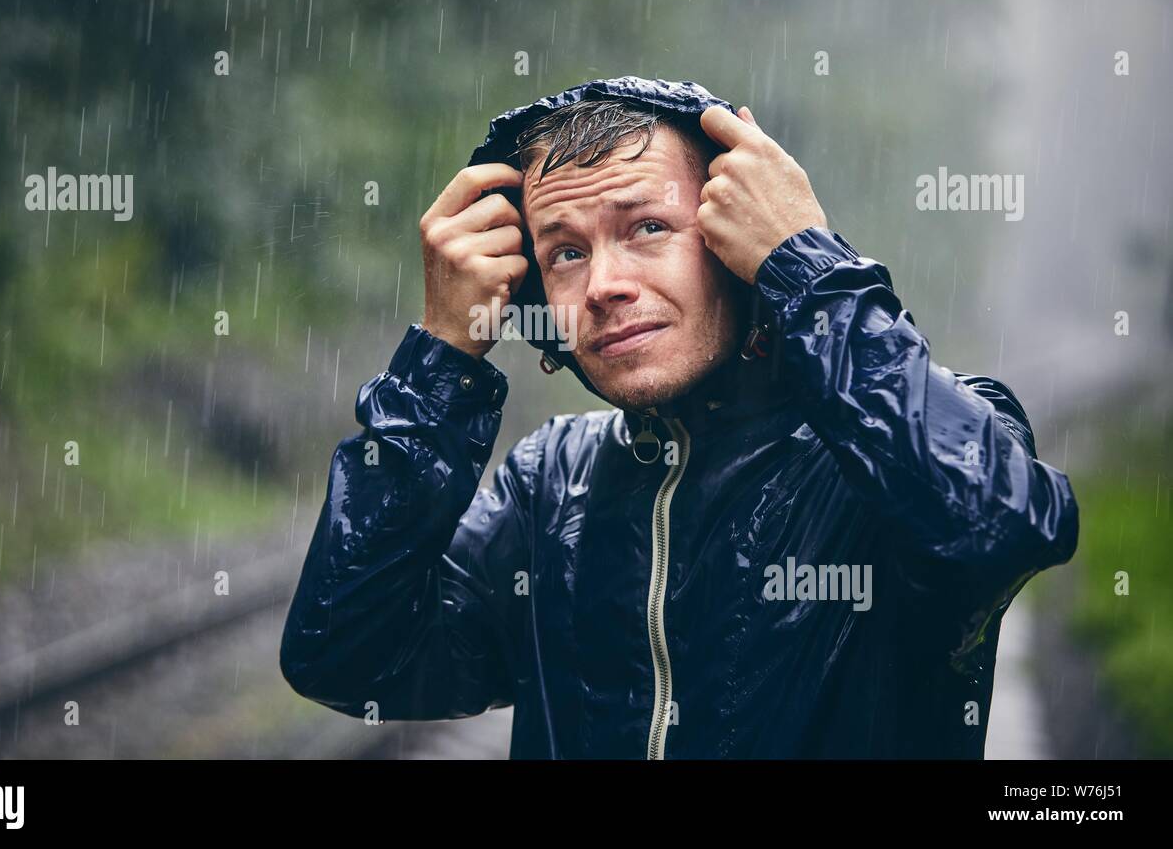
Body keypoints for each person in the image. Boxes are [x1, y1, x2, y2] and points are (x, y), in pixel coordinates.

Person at [279, 76, 1079, 758]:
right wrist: (442, 363)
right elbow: (346, 656)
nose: (603, 285)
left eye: (648, 228)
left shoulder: (889, 457)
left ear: (741, 246)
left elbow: (997, 524)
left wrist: (807, 264)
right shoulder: (549, 490)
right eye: (564, 252)